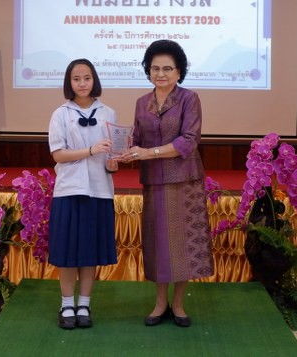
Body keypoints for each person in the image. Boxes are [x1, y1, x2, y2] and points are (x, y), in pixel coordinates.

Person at [121, 39, 213, 328]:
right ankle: (160, 303)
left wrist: (150, 153)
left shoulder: (189, 99)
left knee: (182, 244)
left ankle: (179, 304)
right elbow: (136, 140)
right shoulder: (142, 103)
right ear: (148, 71)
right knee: (158, 243)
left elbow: (189, 141)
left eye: (167, 69)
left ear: (179, 72)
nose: (160, 74)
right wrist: (122, 152)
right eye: (155, 68)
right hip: (154, 181)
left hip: (184, 180)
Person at [48, 58, 118, 329]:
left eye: (87, 78)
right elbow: (58, 154)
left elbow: (111, 156)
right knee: (67, 252)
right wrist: (90, 150)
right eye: (76, 79)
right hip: (69, 190)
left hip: (99, 190)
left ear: (94, 80)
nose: (82, 83)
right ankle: (66, 304)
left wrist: (113, 164)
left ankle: (84, 304)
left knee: (89, 252)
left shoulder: (108, 113)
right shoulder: (60, 114)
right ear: (69, 82)